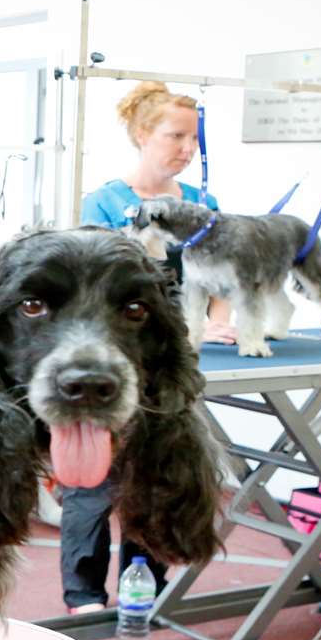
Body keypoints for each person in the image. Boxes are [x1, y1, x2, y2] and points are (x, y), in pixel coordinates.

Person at [59, 82, 232, 613]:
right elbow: (85, 287)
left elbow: (221, 279)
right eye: (175, 135)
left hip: (171, 363)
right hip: (113, 361)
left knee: (156, 476)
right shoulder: (105, 203)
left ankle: (144, 590)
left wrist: (218, 324)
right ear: (141, 135)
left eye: (194, 138)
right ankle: (85, 596)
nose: (187, 148)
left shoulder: (203, 205)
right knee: (92, 485)